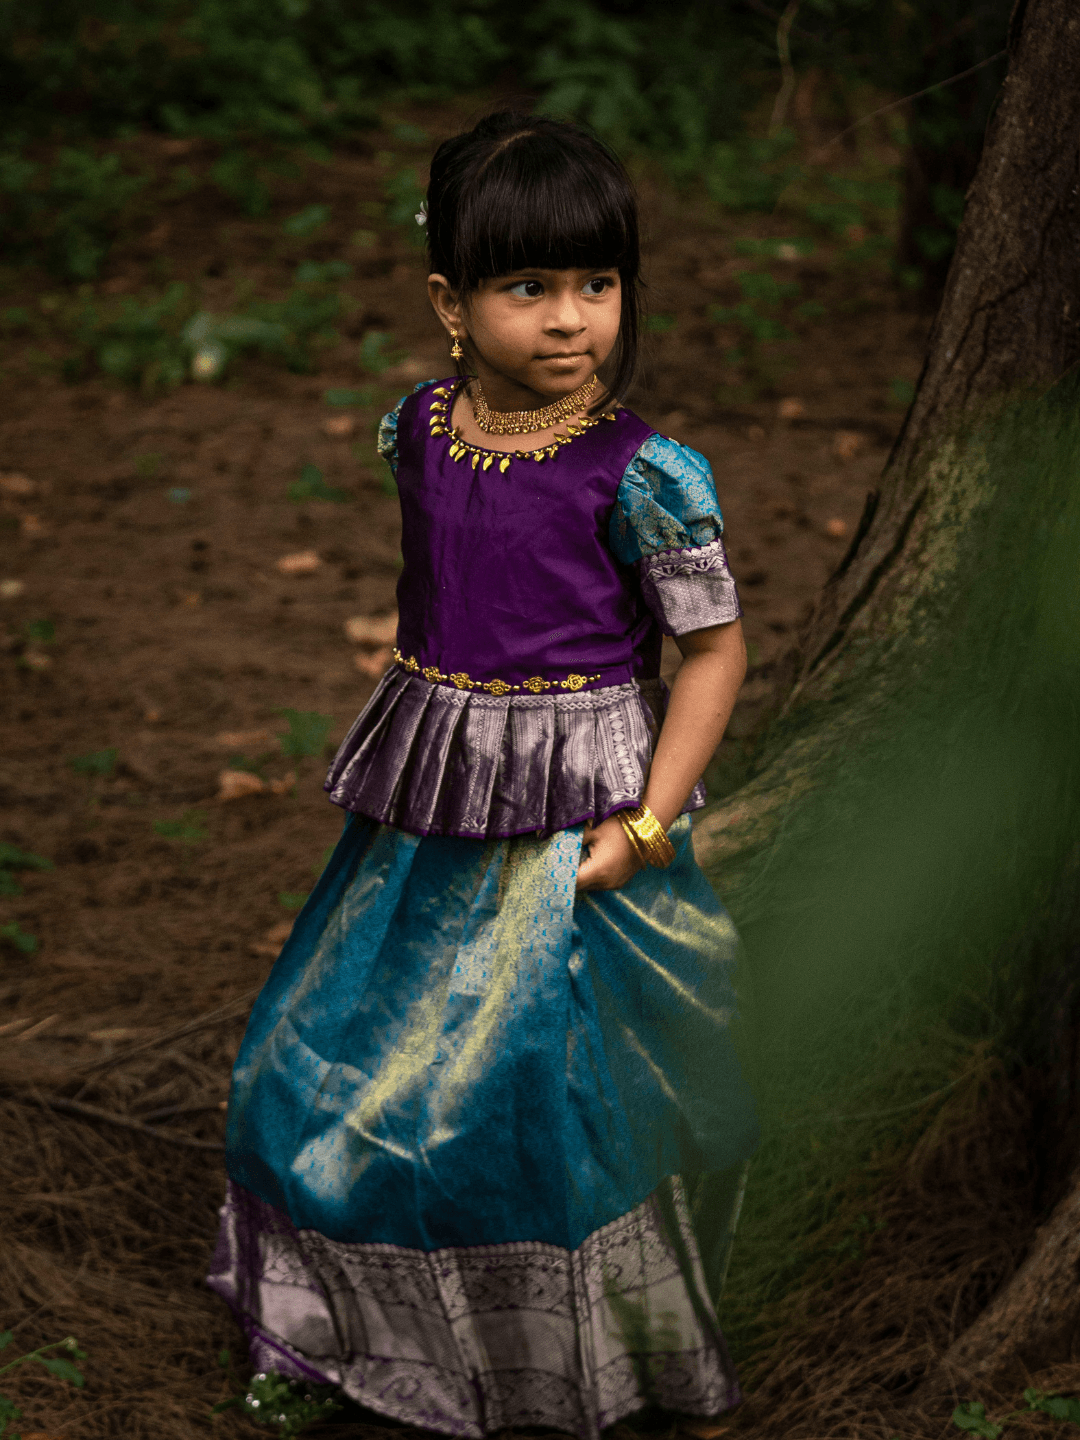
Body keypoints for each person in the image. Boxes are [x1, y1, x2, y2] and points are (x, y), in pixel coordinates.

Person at [208, 110, 759, 1440]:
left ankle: (573, 1364)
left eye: (597, 284)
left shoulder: (648, 475)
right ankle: (368, 1341)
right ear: (450, 303)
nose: (570, 320)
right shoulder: (419, 432)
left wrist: (646, 821)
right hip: (426, 818)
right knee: (312, 1068)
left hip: (575, 833)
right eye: (529, 287)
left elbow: (716, 654)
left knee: (531, 1104)